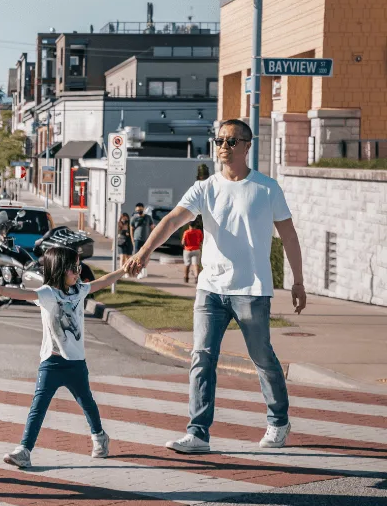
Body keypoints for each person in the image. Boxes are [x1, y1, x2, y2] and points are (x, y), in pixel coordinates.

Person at [126, 118, 307, 454]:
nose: (223, 147)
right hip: (210, 288)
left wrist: (298, 281)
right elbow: (171, 221)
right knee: (202, 357)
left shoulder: (267, 189)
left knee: (262, 357)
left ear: (247, 146)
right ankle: (198, 433)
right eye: (220, 140)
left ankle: (278, 421)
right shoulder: (205, 188)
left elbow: (289, 235)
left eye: (231, 141)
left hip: (251, 290)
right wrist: (143, 252)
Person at [0, 247, 128, 468]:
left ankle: (100, 436)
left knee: (87, 403)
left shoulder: (80, 290)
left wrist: (124, 270)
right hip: (51, 363)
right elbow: (23, 294)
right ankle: (24, 450)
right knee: (38, 406)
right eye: (73, 268)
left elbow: (103, 281)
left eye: (78, 267)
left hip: (76, 364)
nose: (78, 272)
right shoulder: (47, 293)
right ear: (59, 269)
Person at [129, 203, 154, 278]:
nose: (139, 211)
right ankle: (137, 271)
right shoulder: (134, 218)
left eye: (140, 209)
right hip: (137, 239)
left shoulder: (148, 217)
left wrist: (151, 239)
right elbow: (131, 229)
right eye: (138, 210)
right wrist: (132, 239)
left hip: (146, 240)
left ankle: (143, 269)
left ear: (143, 209)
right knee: (137, 256)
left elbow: (152, 228)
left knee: (146, 256)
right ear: (135, 210)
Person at [181, 219, 204, 284]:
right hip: (196, 249)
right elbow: (201, 240)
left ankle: (186, 277)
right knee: (195, 264)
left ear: (189, 225)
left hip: (187, 250)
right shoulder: (199, 231)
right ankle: (196, 277)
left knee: (187, 264)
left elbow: (183, 242)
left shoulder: (186, 232)